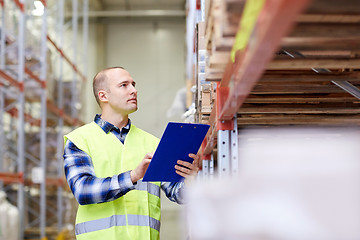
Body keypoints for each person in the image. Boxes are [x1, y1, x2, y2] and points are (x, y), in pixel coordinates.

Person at [63, 67, 200, 240]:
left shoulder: (152, 143)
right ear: (103, 96)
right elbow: (83, 190)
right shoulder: (80, 140)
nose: (134, 90)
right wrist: (133, 176)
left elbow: (177, 194)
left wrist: (192, 179)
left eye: (133, 85)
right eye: (124, 85)